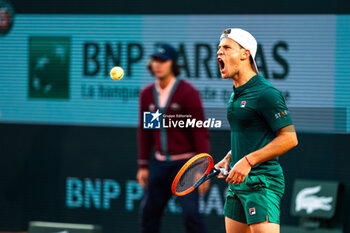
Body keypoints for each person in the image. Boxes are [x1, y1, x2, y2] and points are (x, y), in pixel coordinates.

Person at [215, 28, 298, 233]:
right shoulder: (236, 94)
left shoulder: (266, 94)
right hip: (237, 185)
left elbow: (289, 139)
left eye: (226, 48)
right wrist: (231, 156)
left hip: (262, 183)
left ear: (245, 54)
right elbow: (254, 135)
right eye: (218, 49)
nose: (219, 53)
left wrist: (248, 160)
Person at [137, 44, 209, 233]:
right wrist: (143, 165)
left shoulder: (187, 92)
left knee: (191, 215)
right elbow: (146, 132)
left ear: (173, 64)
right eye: (155, 60)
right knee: (148, 214)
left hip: (186, 165)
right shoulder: (147, 94)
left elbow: (199, 131)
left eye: (163, 60)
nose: (158, 65)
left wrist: (202, 168)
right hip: (160, 165)